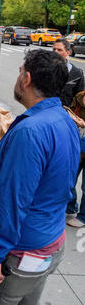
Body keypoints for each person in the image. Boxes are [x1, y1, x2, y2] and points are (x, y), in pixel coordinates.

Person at [0, 49, 80, 305]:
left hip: (21, 252)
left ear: (26, 79)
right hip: (51, 242)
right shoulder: (64, 118)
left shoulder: (30, 131)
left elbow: (12, 202)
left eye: (18, 71)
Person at [66, 90, 85, 228]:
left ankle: (83, 216)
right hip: (77, 150)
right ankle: (71, 206)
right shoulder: (78, 99)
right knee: (68, 180)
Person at [53, 38, 85, 106]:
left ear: (68, 52)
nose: (55, 52)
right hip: (44, 112)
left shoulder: (77, 73)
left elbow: (79, 96)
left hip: (65, 113)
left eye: (59, 50)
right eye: (54, 49)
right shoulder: (43, 69)